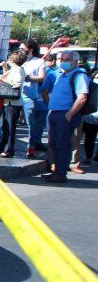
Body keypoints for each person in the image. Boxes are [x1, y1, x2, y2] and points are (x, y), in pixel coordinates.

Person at [42, 50, 91, 183]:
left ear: (75, 61)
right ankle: (56, 171)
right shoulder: (62, 75)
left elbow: (82, 98)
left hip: (64, 114)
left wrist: (69, 115)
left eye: (66, 59)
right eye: (61, 59)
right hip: (54, 113)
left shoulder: (79, 75)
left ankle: (61, 173)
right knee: (54, 144)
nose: (63, 62)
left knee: (62, 145)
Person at [0, 49, 26, 158]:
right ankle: (2, 147)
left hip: (13, 103)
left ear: (12, 59)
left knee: (10, 127)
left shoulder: (18, 70)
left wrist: (3, 79)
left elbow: (16, 84)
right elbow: (7, 77)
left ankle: (8, 149)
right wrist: (4, 68)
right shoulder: (14, 69)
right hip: (7, 102)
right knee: (5, 126)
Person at [20, 39, 48, 157]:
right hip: (14, 95)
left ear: (30, 49)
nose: (20, 51)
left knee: (31, 123)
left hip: (29, 96)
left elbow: (42, 77)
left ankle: (31, 147)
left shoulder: (39, 62)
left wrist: (28, 77)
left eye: (22, 48)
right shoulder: (18, 60)